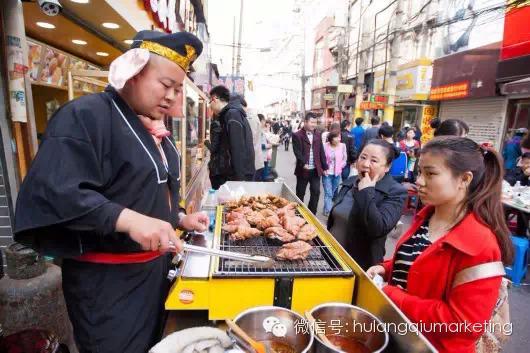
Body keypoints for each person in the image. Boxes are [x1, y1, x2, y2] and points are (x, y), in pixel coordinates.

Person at [13, 30, 210, 353]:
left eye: (178, 89)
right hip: (108, 284)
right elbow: (57, 192)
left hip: (153, 273)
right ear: (133, 72)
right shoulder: (86, 116)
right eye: (165, 85)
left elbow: (138, 190)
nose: (173, 97)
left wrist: (179, 218)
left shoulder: (152, 127)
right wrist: (129, 220)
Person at [367, 137, 513, 353]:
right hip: (399, 333)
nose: (419, 181)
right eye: (419, 172)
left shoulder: (481, 243)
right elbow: (419, 262)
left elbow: (463, 324)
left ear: (464, 179)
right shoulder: (426, 217)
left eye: (430, 174)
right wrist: (386, 268)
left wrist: (389, 293)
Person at [327, 140, 407, 270]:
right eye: (363, 157)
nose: (365, 164)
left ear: (387, 167)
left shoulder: (396, 192)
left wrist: (366, 192)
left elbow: (378, 228)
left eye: (374, 161)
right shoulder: (351, 182)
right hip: (331, 256)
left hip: (360, 267)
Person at [209, 85, 255, 185]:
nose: (210, 106)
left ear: (214, 99)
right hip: (238, 174)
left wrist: (239, 181)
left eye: (209, 102)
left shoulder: (232, 114)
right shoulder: (230, 113)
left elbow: (237, 148)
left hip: (239, 176)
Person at [292, 112, 328, 214]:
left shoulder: (318, 134)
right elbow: (297, 152)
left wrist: (325, 167)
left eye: (315, 122)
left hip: (315, 170)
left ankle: (312, 214)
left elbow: (321, 151)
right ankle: (298, 213)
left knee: (316, 192)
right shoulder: (297, 135)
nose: (313, 124)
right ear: (305, 122)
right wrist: (303, 163)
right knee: (300, 192)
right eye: (312, 122)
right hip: (303, 170)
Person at [322, 132, 347, 217]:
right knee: (328, 193)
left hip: (337, 173)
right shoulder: (325, 146)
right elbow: (322, 158)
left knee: (332, 192)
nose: (339, 139)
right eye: (336, 137)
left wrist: (341, 166)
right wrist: (323, 168)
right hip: (327, 173)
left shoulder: (342, 146)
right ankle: (328, 211)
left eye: (339, 137)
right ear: (331, 139)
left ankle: (326, 208)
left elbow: (344, 158)